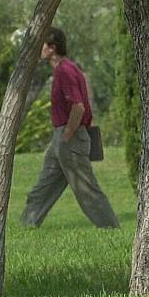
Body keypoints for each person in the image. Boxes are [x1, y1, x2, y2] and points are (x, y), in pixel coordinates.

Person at [20, 27, 119, 229]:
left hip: (70, 136)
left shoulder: (65, 70)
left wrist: (67, 135)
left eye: (42, 45)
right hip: (62, 137)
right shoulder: (64, 69)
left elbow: (78, 107)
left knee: (87, 189)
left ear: (52, 48)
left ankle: (111, 229)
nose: (38, 49)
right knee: (44, 186)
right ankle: (27, 226)